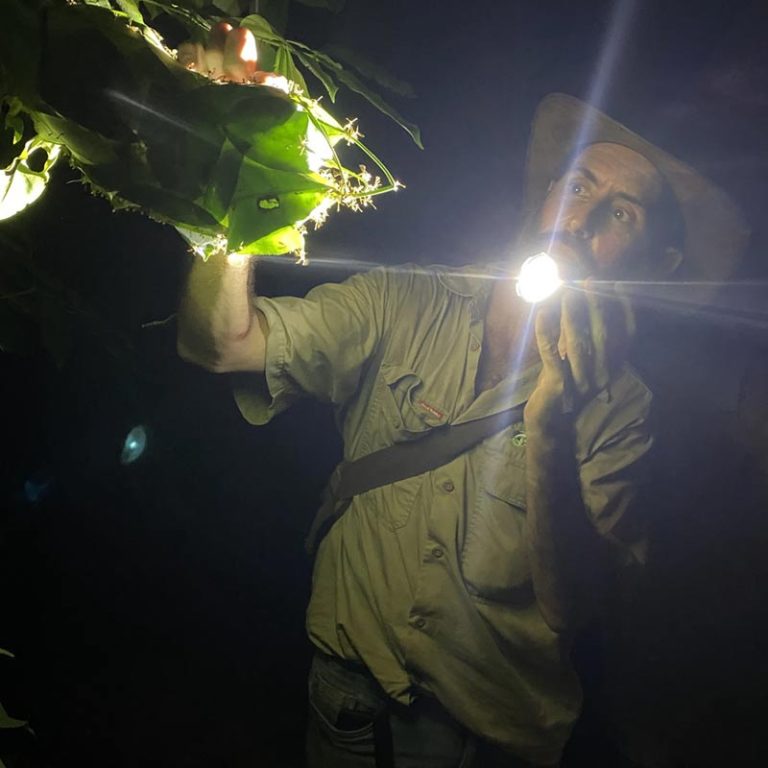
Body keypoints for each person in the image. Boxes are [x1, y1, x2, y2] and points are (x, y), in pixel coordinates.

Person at [176, 27, 748, 766]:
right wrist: (235, 167)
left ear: (655, 261)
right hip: (345, 712)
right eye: (577, 187)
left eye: (622, 214)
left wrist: (549, 428)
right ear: (545, 199)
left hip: (488, 743)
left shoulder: (624, 411)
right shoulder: (407, 299)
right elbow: (220, 342)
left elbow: (576, 606)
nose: (582, 218)